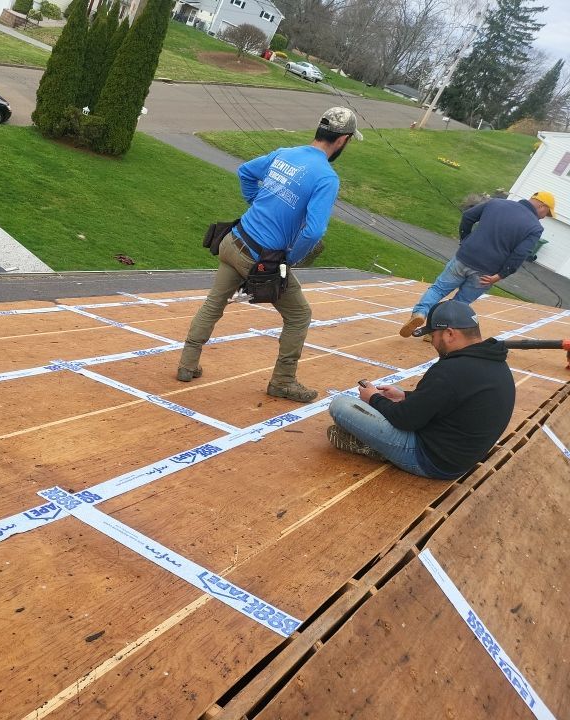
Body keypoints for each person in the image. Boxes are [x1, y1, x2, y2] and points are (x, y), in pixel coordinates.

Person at [177, 107, 361, 402]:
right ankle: (283, 381)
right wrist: (288, 261)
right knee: (300, 315)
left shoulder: (285, 152)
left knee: (214, 303)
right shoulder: (326, 177)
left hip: (233, 241)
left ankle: (187, 364)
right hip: (259, 260)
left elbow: (245, 172)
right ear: (344, 140)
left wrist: (256, 201)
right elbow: (313, 232)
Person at [327, 301, 515, 479]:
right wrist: (404, 396)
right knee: (397, 393)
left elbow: (405, 420)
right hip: (458, 456)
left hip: (431, 461)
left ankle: (378, 448)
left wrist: (373, 398)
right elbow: (451, 398)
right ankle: (379, 433)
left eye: (433, 336)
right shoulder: (495, 363)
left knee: (341, 405)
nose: (433, 343)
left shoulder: (450, 371)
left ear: (449, 334)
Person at [398, 191, 555, 338]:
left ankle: (420, 313)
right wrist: (501, 275)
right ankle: (435, 332)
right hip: (487, 272)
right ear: (542, 206)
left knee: (438, 289)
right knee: (460, 303)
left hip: (465, 257)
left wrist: (465, 239)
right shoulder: (535, 227)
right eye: (546, 213)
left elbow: (467, 216)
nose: (544, 217)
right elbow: (520, 254)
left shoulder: (496, 203)